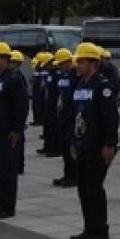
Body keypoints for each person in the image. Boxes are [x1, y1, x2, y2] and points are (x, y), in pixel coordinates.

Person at [69, 43, 120, 239]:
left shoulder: (103, 86)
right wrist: (73, 141)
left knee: (94, 188)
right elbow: (76, 115)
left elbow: (110, 118)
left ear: (93, 63)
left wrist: (110, 144)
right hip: (82, 144)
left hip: (97, 146)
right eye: (77, 61)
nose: (78, 65)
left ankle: (100, 231)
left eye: (81, 61)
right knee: (83, 188)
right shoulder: (80, 84)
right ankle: (88, 228)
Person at [0, 42, 28, 218]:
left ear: (4, 59)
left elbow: (22, 106)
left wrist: (17, 130)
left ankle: (8, 207)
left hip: (7, 132)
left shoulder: (13, 79)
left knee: (6, 170)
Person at [50, 48, 78, 188]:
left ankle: (74, 176)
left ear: (69, 62)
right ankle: (67, 174)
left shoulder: (75, 76)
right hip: (62, 117)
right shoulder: (62, 76)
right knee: (65, 149)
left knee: (71, 148)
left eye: (62, 64)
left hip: (71, 118)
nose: (60, 67)